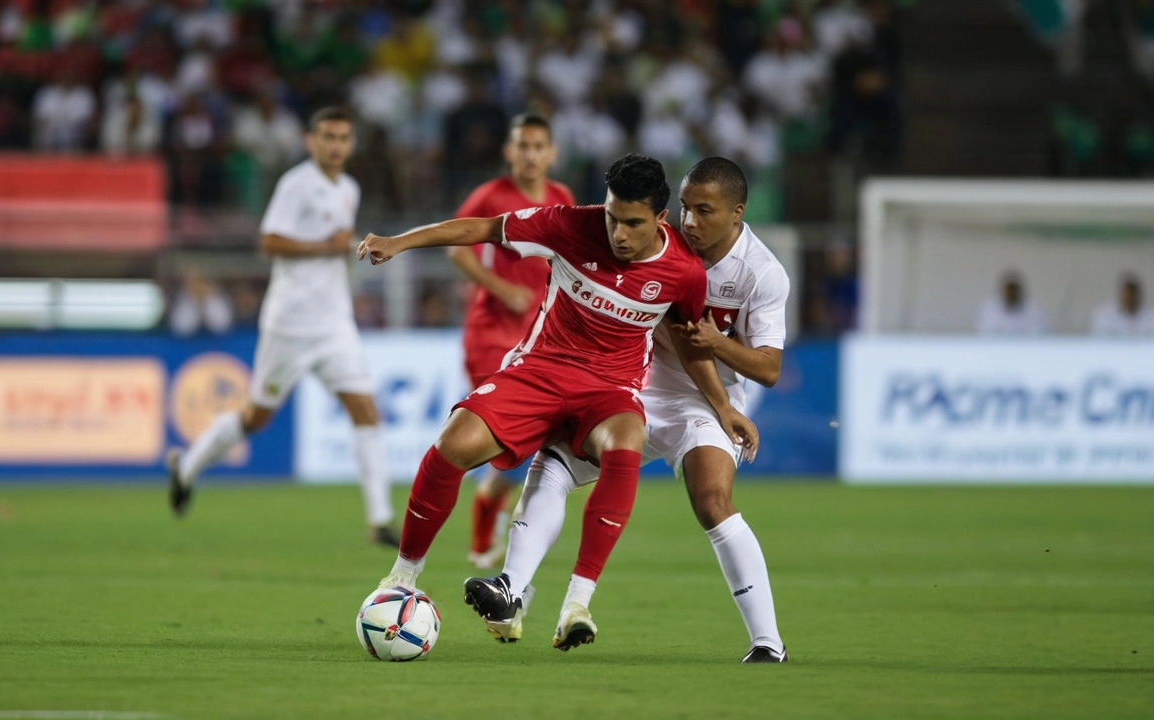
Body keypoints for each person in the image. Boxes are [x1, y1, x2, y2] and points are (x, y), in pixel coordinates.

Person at [358, 154, 759, 651]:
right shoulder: (570, 225)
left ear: (659, 219)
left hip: (611, 389)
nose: (618, 233)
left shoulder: (684, 272)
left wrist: (723, 407)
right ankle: (402, 577)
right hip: (540, 370)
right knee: (451, 445)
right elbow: (482, 229)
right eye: (613, 217)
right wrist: (400, 242)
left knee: (627, 440)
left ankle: (577, 602)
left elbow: (687, 345)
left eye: (633, 223)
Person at [472, 158, 790, 662]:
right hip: (630, 388)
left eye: (704, 211)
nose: (689, 222)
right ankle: (513, 590)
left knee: (712, 501)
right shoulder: (657, 239)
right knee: (553, 464)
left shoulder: (762, 274)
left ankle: (768, 642)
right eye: (685, 209)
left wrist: (718, 358)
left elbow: (769, 368)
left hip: (702, 403)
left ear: (737, 213)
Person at [167, 107, 399, 547]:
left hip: (334, 323)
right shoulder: (296, 184)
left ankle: (380, 520)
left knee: (365, 409)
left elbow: (334, 248)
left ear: (351, 144)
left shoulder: (349, 187)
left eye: (343, 137)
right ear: (311, 141)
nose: (335, 145)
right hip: (289, 325)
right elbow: (269, 240)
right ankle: (187, 467)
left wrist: (349, 253)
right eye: (327, 136)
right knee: (256, 417)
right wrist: (323, 247)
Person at [448, 113, 575, 571]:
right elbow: (456, 247)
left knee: (528, 443)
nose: (530, 154)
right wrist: (500, 288)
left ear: (552, 152)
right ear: (509, 151)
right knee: (511, 438)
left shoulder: (562, 198)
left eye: (539, 146)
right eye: (523, 145)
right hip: (490, 333)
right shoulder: (492, 195)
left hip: (540, 338)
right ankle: (489, 519)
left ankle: (488, 511)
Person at [976, 271, 1047, 335]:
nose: (1011, 294)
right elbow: (984, 332)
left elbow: (1040, 332)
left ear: (1019, 292)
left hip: (1026, 347)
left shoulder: (1033, 308)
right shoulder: (989, 308)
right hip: (997, 347)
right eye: (1009, 291)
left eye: (1014, 291)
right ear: (1003, 291)